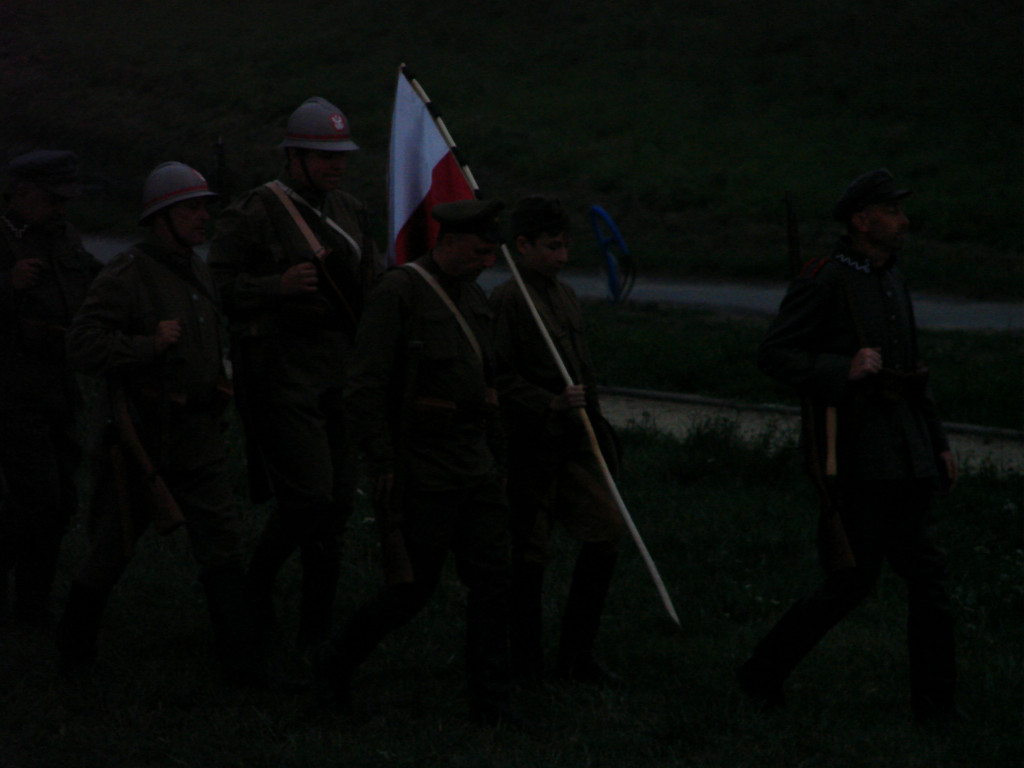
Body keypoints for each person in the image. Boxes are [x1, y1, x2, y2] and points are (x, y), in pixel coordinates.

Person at [737, 169, 960, 723]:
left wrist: (939, 443)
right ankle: (761, 673)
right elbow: (776, 355)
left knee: (924, 580)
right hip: (857, 454)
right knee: (852, 582)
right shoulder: (826, 279)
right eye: (891, 211)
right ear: (862, 221)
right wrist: (844, 368)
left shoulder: (891, 278)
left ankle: (935, 707)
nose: (903, 221)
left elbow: (913, 372)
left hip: (907, 452)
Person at [57, 162, 260, 684]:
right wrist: (148, 346)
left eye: (204, 207)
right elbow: (80, 345)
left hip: (196, 435)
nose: (202, 217)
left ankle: (240, 662)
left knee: (223, 542)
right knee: (112, 546)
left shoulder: (199, 270)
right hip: (141, 437)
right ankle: (73, 659)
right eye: (191, 208)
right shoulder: (128, 274)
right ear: (160, 218)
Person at [317, 199, 516, 726]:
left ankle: (490, 701)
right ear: (447, 242)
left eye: (492, 252)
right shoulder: (400, 292)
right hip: (422, 469)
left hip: (474, 464)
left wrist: (497, 452)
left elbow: (486, 381)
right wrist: (382, 463)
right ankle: (334, 667)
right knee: (412, 589)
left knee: (495, 581)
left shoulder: (474, 296)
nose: (486, 262)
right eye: (478, 251)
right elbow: (364, 387)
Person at [208, 97, 380, 651]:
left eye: (339, 156)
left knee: (338, 505)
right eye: (322, 156)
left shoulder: (351, 210)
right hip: (284, 375)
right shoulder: (255, 211)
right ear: (293, 157)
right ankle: (252, 593)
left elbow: (370, 284)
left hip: (340, 374)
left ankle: (315, 627)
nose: (335, 165)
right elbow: (218, 288)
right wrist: (275, 287)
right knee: (308, 495)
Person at [489, 195, 625, 686]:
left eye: (566, 247)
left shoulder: (564, 295)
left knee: (607, 528)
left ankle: (577, 653)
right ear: (521, 246)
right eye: (551, 247)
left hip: (574, 441)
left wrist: (592, 420)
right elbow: (496, 379)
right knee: (530, 551)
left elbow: (583, 369)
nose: (562, 257)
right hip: (529, 447)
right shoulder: (506, 301)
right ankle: (525, 662)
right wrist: (545, 401)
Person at [0, 150, 101, 628]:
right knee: (36, 499)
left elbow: (94, 285)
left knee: (61, 500)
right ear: (23, 194)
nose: (63, 208)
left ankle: (32, 605)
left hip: (59, 386)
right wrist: (7, 285)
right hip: (11, 390)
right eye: (53, 198)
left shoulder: (62, 237)